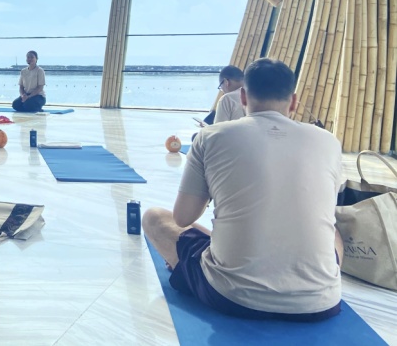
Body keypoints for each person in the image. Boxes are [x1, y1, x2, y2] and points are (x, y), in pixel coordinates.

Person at [143, 58, 343, 322]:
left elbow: (183, 218)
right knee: (335, 231)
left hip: (232, 296)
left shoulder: (210, 137)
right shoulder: (328, 141)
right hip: (320, 302)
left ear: (244, 97)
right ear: (293, 101)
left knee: (154, 218)